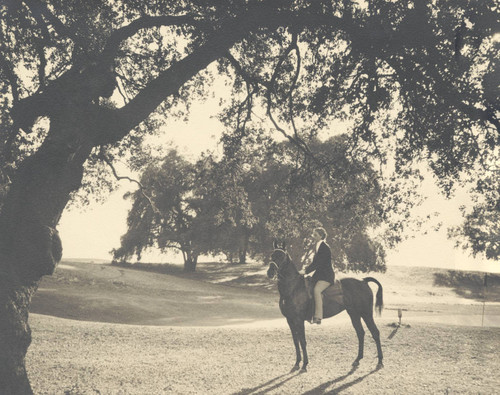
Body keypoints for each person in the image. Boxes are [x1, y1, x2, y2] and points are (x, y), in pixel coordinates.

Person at [304, 227, 335, 324]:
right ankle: (308, 314)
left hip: (326, 276)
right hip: (319, 275)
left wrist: (305, 271)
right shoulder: (318, 246)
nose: (313, 237)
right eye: (313, 234)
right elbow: (315, 263)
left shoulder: (324, 247)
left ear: (321, 236)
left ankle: (318, 316)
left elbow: (318, 264)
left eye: (315, 235)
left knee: (316, 290)